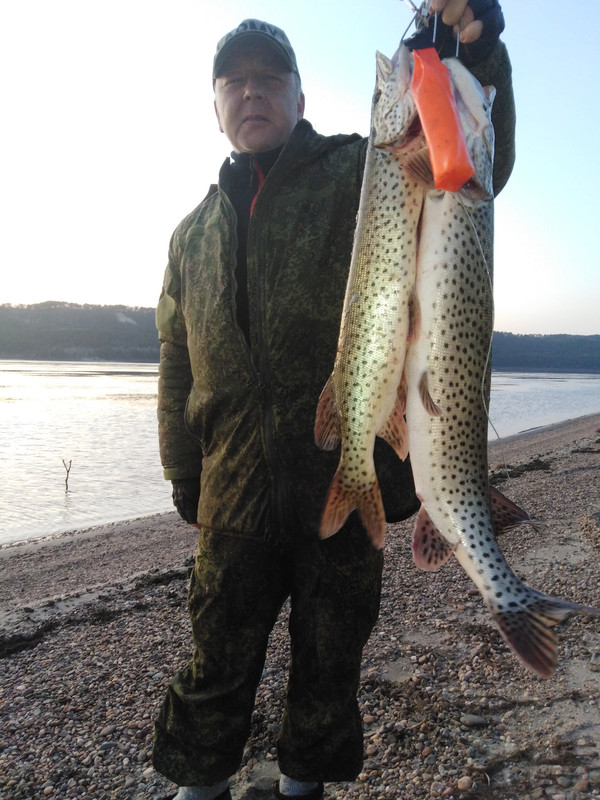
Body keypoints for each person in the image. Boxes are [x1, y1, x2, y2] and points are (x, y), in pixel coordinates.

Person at [153, 4, 515, 799]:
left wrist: (474, 54)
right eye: (234, 83)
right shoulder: (192, 234)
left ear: (300, 97)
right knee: (213, 667)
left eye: (269, 80)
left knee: (328, 671)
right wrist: (184, 472)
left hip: (346, 485)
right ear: (216, 106)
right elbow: (177, 363)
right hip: (234, 496)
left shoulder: (364, 168)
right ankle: (196, 787)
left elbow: (466, 162)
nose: (252, 94)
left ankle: (301, 788)